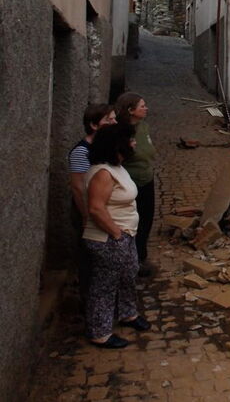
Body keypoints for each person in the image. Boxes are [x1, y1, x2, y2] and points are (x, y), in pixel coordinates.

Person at [83, 123, 151, 348]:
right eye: (130, 140)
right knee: (105, 285)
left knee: (128, 274)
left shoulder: (116, 166)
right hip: (107, 238)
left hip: (124, 235)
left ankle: (128, 314)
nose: (134, 143)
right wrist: (115, 233)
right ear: (117, 145)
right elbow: (95, 208)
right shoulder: (102, 173)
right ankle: (99, 332)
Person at [68, 104, 117, 304]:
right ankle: (90, 302)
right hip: (90, 212)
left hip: (103, 211)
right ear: (94, 125)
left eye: (114, 119)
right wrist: (87, 217)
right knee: (90, 259)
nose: (114, 122)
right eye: (109, 120)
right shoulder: (81, 151)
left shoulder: (103, 147)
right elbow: (78, 188)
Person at [114, 92, 156, 276]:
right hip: (130, 183)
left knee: (146, 219)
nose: (146, 108)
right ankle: (131, 260)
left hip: (147, 179)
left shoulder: (143, 126)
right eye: (142, 106)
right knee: (131, 222)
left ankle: (141, 256)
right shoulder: (120, 132)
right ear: (130, 110)